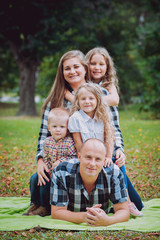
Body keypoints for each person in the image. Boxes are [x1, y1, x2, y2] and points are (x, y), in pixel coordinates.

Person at [35, 50, 143, 214]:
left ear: (85, 69)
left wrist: (119, 149)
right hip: (70, 155)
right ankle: (44, 204)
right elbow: (44, 135)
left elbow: (112, 128)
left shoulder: (101, 94)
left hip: (102, 152)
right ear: (62, 72)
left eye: (76, 66)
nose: (72, 71)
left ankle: (122, 201)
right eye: (67, 68)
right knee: (37, 179)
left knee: (132, 196)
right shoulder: (55, 99)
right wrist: (41, 159)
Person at [85, 47, 143, 216]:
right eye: (93, 63)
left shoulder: (108, 85)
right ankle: (125, 201)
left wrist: (120, 149)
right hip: (94, 141)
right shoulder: (84, 86)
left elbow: (115, 104)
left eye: (101, 64)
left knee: (118, 159)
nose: (97, 67)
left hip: (111, 139)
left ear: (107, 67)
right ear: (87, 65)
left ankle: (127, 201)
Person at [50, 138, 130, 226]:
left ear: (104, 161)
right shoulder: (61, 172)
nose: (92, 163)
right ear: (79, 157)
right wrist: (85, 217)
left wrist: (108, 221)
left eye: (98, 159)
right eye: (88, 157)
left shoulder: (114, 173)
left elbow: (124, 211)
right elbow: (56, 212)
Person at [23, 108, 77, 216]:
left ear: (67, 128)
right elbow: (46, 157)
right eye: (54, 126)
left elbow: (73, 157)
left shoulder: (70, 142)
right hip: (50, 170)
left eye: (62, 127)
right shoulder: (47, 142)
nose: (58, 130)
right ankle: (34, 203)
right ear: (49, 128)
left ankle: (45, 207)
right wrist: (46, 169)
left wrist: (61, 161)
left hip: (63, 174)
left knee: (46, 181)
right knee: (35, 178)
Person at [68, 82, 114, 167]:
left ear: (97, 100)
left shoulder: (103, 116)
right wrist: (84, 158)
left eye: (91, 98)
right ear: (78, 101)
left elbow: (109, 139)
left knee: (118, 165)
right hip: (86, 157)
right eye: (83, 99)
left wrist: (108, 157)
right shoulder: (75, 118)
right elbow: (78, 142)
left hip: (103, 155)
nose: (87, 102)